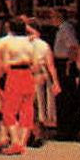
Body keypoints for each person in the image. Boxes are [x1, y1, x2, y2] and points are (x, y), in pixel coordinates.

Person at [0, 16, 38, 155]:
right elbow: (35, 63)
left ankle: (15, 141)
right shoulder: (31, 42)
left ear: (9, 28)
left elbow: (3, 64)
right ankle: (22, 144)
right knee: (27, 109)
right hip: (28, 74)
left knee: (9, 110)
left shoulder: (5, 42)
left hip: (14, 74)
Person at [25, 16, 61, 148]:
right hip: (40, 76)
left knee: (30, 107)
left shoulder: (25, 44)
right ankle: (36, 134)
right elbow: (51, 66)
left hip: (29, 75)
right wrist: (55, 82)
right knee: (38, 107)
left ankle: (33, 134)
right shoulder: (44, 45)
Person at [53, 12, 80, 142]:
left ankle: (68, 130)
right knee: (62, 98)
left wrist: (69, 63)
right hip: (61, 63)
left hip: (65, 64)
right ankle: (64, 129)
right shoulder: (62, 29)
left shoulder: (66, 28)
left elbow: (73, 46)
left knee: (66, 98)